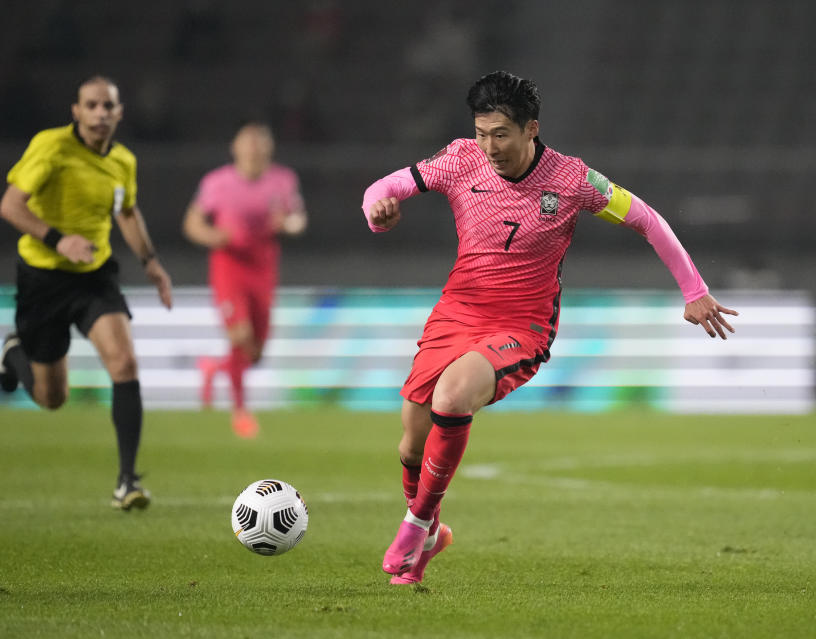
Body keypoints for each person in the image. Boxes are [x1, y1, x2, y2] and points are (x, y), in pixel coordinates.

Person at [361, 71, 738, 585]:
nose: (490, 146)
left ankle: (417, 521)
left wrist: (694, 291)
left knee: (452, 397)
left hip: (522, 323)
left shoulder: (573, 180)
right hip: (456, 312)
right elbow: (384, 188)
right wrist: (377, 212)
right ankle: (429, 536)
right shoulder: (458, 159)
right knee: (411, 444)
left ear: (531, 129)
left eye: (502, 134)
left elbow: (647, 219)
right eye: (482, 133)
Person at [0, 75, 173, 510]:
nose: (99, 114)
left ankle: (127, 481)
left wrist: (151, 264)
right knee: (51, 398)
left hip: (94, 275)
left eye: (107, 106)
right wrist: (59, 240)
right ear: (76, 111)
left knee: (124, 362)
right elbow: (10, 205)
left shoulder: (123, 162)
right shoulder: (51, 147)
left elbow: (127, 212)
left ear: (118, 113)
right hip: (43, 278)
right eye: (91, 105)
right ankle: (13, 352)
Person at [182, 122, 306, 438]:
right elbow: (192, 223)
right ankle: (241, 411)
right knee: (240, 336)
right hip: (229, 266)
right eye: (247, 143)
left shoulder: (283, 179)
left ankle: (214, 368)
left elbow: (297, 219)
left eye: (259, 144)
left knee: (255, 352)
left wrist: (288, 224)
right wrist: (215, 236)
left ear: (268, 149)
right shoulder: (216, 182)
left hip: (263, 267)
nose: (253, 150)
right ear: (235, 148)